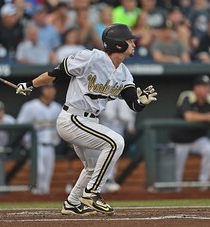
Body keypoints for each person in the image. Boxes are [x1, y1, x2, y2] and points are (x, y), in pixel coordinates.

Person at [15, 23, 157, 215]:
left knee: (92, 168)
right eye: (130, 40)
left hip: (90, 122)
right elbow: (56, 74)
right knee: (116, 142)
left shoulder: (124, 73)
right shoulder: (92, 57)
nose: (134, 43)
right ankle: (92, 194)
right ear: (117, 44)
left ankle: (72, 203)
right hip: (72, 118)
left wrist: (142, 102)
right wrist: (30, 84)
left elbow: (134, 105)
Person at [170, 75, 210, 191]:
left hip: (198, 139)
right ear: (196, 88)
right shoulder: (187, 96)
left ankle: (203, 185)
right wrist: (209, 116)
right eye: (204, 86)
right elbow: (188, 116)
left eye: (209, 86)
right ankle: (176, 191)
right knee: (177, 171)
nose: (207, 89)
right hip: (180, 140)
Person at [17, 84, 62, 195]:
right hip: (35, 146)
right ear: (41, 90)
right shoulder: (30, 107)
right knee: (39, 172)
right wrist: (24, 144)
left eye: (52, 88)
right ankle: (34, 195)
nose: (51, 91)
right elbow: (20, 126)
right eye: (47, 88)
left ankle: (42, 202)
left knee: (47, 175)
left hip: (51, 145)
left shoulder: (57, 107)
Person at [99, 98, 137, 193]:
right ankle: (102, 182)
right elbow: (105, 114)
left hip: (118, 130)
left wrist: (130, 126)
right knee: (101, 156)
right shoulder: (104, 94)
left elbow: (130, 113)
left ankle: (109, 179)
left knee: (115, 156)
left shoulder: (124, 97)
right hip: (103, 130)